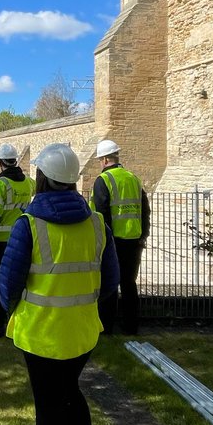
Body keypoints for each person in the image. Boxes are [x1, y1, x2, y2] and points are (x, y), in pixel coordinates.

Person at [0, 143, 119, 425]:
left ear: (42, 179)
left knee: (49, 407)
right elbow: (110, 282)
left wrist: (13, 310)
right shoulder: (97, 224)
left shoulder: (29, 225)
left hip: (40, 336)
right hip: (82, 333)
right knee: (72, 397)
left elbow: (8, 285)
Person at [91, 138, 149, 337]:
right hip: (134, 240)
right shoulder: (133, 178)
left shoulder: (104, 180)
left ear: (105, 159)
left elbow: (101, 214)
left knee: (108, 284)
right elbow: (145, 209)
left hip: (112, 241)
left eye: (100, 160)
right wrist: (143, 234)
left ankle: (106, 328)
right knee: (129, 284)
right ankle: (131, 327)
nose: (100, 163)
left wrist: (101, 242)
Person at [0, 142, 34, 337]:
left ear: (0, 163)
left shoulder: (1, 184)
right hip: (21, 240)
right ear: (15, 161)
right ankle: (17, 323)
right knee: (20, 282)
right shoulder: (28, 182)